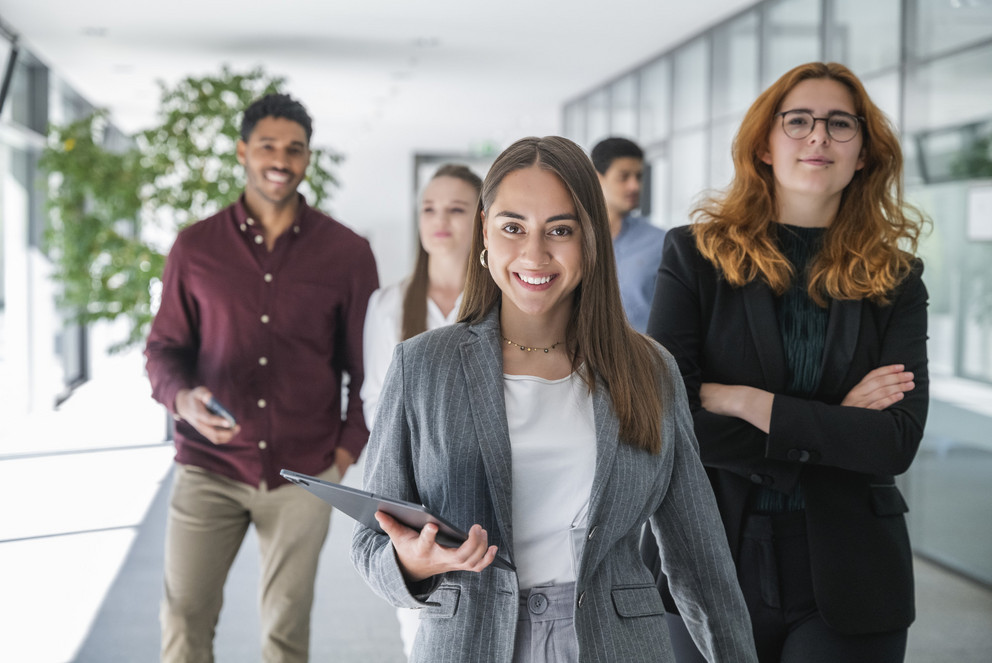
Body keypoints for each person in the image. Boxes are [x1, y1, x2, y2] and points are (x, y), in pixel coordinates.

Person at [351, 135, 758, 662]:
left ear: (591, 237)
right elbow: (370, 545)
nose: (534, 254)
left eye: (560, 230)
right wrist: (410, 563)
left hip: (614, 645)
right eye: (513, 227)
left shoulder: (649, 370)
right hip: (469, 642)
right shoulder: (422, 366)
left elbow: (699, 559)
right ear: (485, 232)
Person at [645, 62, 929, 663]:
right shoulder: (694, 258)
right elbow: (665, 420)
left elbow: (894, 442)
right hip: (708, 550)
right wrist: (830, 425)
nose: (818, 136)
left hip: (852, 567)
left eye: (839, 124)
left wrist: (753, 403)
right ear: (765, 146)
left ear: (863, 155)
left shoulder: (897, 279)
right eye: (798, 121)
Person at [145, 92, 379, 662]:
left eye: (294, 149)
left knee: (284, 630)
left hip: (303, 472)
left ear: (307, 159)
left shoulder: (347, 253)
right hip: (210, 467)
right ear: (243, 151)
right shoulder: (195, 247)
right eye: (269, 146)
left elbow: (366, 369)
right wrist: (183, 399)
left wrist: (343, 454)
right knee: (183, 616)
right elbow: (163, 350)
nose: (281, 159)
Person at [360, 163, 482, 656]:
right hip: (416, 495)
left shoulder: (500, 304)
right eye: (430, 208)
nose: (440, 220)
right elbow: (374, 401)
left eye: (457, 209)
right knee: (425, 634)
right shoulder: (390, 304)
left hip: (485, 490)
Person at [590, 137, 666, 333]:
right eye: (624, 177)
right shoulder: (572, 239)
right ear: (597, 178)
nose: (635, 186)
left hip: (643, 359)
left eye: (638, 177)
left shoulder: (660, 243)